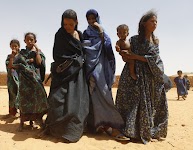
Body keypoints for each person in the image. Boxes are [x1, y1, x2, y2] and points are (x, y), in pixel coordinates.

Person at [115, 10, 168, 144]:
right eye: (152, 21)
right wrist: (125, 54)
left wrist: (135, 57)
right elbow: (126, 55)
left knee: (148, 104)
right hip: (133, 75)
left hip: (149, 75)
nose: (155, 23)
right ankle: (128, 131)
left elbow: (154, 59)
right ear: (144, 23)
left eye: (156, 21)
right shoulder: (134, 39)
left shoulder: (155, 41)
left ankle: (146, 130)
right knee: (130, 102)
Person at [43, 9, 89, 143]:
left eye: (70, 24)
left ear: (76, 22)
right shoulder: (60, 35)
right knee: (57, 100)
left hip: (77, 74)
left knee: (76, 102)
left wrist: (80, 60)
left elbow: (83, 52)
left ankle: (71, 130)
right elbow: (57, 54)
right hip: (63, 73)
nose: (67, 27)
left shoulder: (79, 34)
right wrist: (74, 60)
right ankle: (54, 129)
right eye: (65, 24)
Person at [82, 9, 124, 138]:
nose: (91, 21)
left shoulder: (102, 32)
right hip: (89, 68)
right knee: (92, 96)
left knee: (105, 93)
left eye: (93, 18)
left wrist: (100, 31)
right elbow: (84, 48)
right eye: (88, 19)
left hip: (102, 68)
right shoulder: (85, 33)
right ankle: (95, 125)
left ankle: (112, 124)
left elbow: (108, 49)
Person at [13, 32, 48, 131]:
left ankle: (38, 119)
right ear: (24, 41)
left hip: (35, 78)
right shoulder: (22, 53)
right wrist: (27, 62)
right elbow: (16, 63)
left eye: (31, 40)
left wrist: (37, 51)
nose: (29, 41)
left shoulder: (38, 52)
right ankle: (22, 122)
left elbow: (40, 62)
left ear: (35, 41)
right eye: (27, 39)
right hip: (24, 79)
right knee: (24, 99)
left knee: (38, 98)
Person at [4, 39, 20, 119]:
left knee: (20, 95)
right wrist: (12, 57)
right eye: (12, 46)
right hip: (11, 79)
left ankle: (21, 113)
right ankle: (12, 113)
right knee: (12, 95)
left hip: (20, 80)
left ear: (18, 47)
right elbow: (9, 66)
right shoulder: (9, 57)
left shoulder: (22, 56)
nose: (14, 47)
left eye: (15, 46)